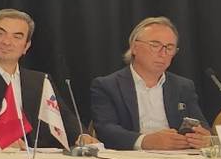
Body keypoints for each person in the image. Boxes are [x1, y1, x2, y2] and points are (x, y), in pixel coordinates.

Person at [0, 9, 96, 149]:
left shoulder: (41, 80)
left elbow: (63, 116)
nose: (7, 42)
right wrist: (1, 138)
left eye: (17, 37)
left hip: (42, 155)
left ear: (26, 46)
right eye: (1, 33)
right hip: (0, 155)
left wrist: (81, 135)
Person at [90, 16, 213, 150]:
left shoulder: (183, 86)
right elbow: (105, 130)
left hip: (179, 155)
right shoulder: (107, 85)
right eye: (155, 45)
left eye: (169, 47)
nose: (163, 53)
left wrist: (203, 138)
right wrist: (145, 141)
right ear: (134, 47)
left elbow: (202, 126)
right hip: (132, 157)